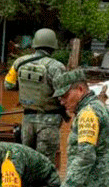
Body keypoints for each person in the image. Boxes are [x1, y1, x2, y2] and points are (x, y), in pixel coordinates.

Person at [4, 28, 67, 167]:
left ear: (35, 44)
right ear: (53, 46)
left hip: (27, 121)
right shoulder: (57, 67)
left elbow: (8, 85)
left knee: (27, 161)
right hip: (49, 122)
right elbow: (64, 93)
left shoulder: (19, 63)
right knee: (45, 165)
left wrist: (26, 87)